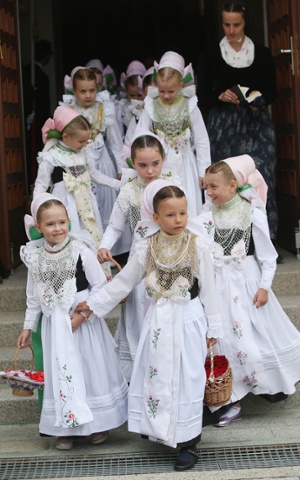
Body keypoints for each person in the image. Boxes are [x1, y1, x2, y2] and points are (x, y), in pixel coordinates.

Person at [76, 180, 222, 471]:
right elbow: (124, 282)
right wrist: (93, 304)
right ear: (155, 217)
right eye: (170, 214)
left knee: (188, 379)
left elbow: (209, 290)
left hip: (189, 319)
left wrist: (214, 328)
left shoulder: (199, 245)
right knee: (158, 375)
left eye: (182, 213)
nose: (178, 220)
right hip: (157, 322)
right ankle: (162, 429)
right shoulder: (146, 247)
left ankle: (188, 442)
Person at [203, 155, 300, 427]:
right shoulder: (205, 216)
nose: (209, 192)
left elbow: (266, 255)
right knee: (223, 338)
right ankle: (230, 397)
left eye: (215, 186)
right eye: (206, 187)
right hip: (218, 285)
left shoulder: (251, 211)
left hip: (247, 281)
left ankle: (267, 385)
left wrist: (264, 286)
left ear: (232, 186)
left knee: (255, 333)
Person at [17, 193, 128, 450]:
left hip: (82, 324)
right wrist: (27, 327)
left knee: (88, 370)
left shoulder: (81, 252)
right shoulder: (35, 257)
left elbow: (100, 286)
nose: (57, 229)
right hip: (55, 327)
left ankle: (97, 425)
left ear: (68, 221)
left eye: (61, 222)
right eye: (50, 224)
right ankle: (65, 428)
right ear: (38, 228)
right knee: (61, 374)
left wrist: (83, 314)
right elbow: (33, 297)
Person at [196, 1, 280, 257]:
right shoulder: (210, 55)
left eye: (237, 24)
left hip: (256, 125)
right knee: (225, 180)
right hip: (224, 126)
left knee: (260, 177)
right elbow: (202, 96)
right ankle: (229, 240)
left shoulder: (262, 53)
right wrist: (219, 96)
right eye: (226, 24)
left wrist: (258, 99)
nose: (231, 30)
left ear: (246, 23)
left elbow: (272, 91)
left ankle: (264, 241)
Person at [98, 129, 177, 381]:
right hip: (139, 259)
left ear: (163, 159)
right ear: (132, 163)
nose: (150, 171)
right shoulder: (129, 190)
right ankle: (141, 372)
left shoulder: (172, 186)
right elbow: (115, 226)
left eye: (155, 164)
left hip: (169, 256)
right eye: (142, 165)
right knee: (138, 311)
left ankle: (167, 366)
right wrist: (104, 245)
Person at [33, 105, 121, 277]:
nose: (85, 144)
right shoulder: (51, 156)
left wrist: (119, 184)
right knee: (70, 238)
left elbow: (95, 175)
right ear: (65, 137)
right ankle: (73, 276)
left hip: (86, 203)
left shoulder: (84, 153)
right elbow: (41, 184)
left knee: (91, 235)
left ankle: (94, 277)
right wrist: (38, 209)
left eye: (86, 141)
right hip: (65, 204)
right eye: (81, 141)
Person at [61, 68, 130, 257]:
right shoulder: (68, 111)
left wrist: (121, 167)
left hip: (103, 163)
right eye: (83, 91)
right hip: (77, 165)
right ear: (74, 91)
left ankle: (110, 250)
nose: (88, 95)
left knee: (106, 205)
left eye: (92, 90)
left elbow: (116, 143)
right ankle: (85, 251)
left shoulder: (104, 108)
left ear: (97, 88)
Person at [137, 51, 210, 217]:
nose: (166, 95)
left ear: (180, 85)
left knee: (187, 204)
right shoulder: (151, 107)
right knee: (163, 204)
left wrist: (203, 171)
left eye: (171, 91)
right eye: (162, 91)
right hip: (159, 166)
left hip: (185, 164)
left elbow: (201, 141)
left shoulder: (190, 106)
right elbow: (140, 136)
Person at [23, 39, 54, 188]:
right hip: (36, 122)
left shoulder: (25, 70)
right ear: (46, 56)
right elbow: (43, 104)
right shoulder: (40, 76)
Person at [123, 67, 156, 147]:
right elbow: (128, 145)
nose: (153, 100)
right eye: (149, 96)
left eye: (156, 95)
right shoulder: (137, 118)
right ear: (143, 94)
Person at [118, 60, 146, 138]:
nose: (135, 98)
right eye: (132, 95)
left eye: (139, 95)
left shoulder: (150, 107)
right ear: (126, 91)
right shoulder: (122, 107)